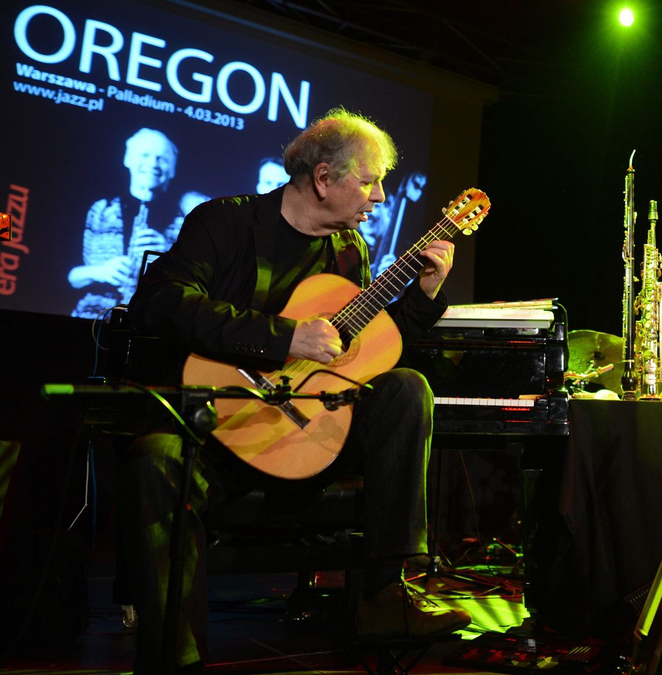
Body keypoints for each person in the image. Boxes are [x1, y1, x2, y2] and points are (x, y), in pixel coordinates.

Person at [121, 108, 470, 674]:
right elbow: (159, 302)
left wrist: (425, 293)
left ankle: (385, 594)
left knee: (406, 388)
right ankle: (174, 656)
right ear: (324, 178)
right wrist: (284, 337)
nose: (380, 196)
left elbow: (364, 352)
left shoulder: (349, 252)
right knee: (153, 460)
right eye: (370, 180)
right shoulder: (224, 223)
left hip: (305, 433)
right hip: (216, 430)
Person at [68, 128, 175, 318]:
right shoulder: (98, 209)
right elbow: (64, 276)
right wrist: (100, 271)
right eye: (145, 155)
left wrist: (171, 254)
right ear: (128, 159)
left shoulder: (188, 217)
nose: (152, 164)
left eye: (162, 158)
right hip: (92, 320)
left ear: (172, 169)